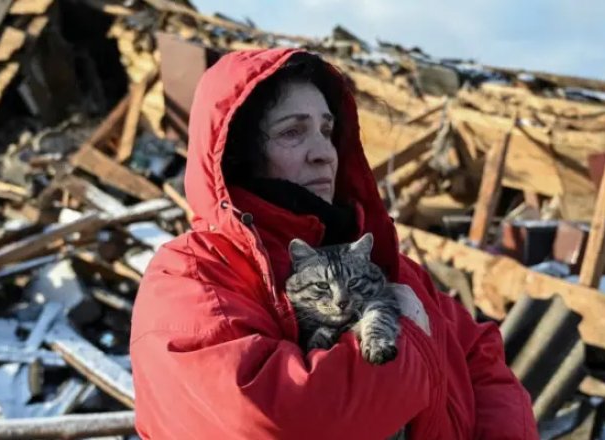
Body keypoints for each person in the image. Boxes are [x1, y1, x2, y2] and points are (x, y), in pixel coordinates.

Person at [130, 48, 538, 439]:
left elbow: (482, 359)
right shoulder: (190, 276)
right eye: (293, 132)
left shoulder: (383, 262)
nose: (323, 153)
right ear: (238, 153)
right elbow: (278, 421)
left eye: (327, 130)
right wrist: (410, 334)